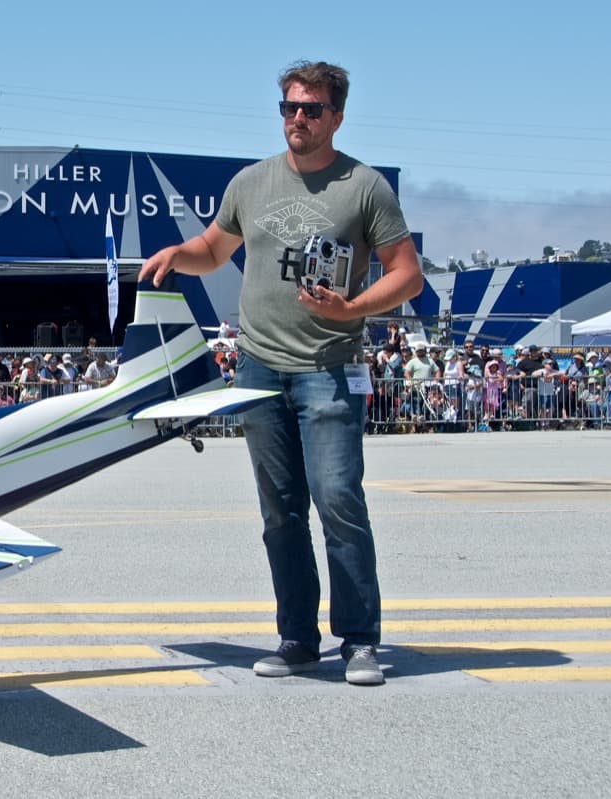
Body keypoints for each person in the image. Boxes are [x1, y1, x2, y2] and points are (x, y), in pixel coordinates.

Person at [139, 60, 422, 685]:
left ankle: (359, 641)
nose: (298, 118)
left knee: (339, 502)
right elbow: (214, 250)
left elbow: (407, 273)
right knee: (280, 511)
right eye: (290, 107)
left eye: (312, 109)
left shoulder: (365, 187)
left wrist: (352, 307)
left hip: (330, 367)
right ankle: (297, 636)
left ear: (337, 116)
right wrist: (175, 255)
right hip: (260, 368)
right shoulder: (251, 182)